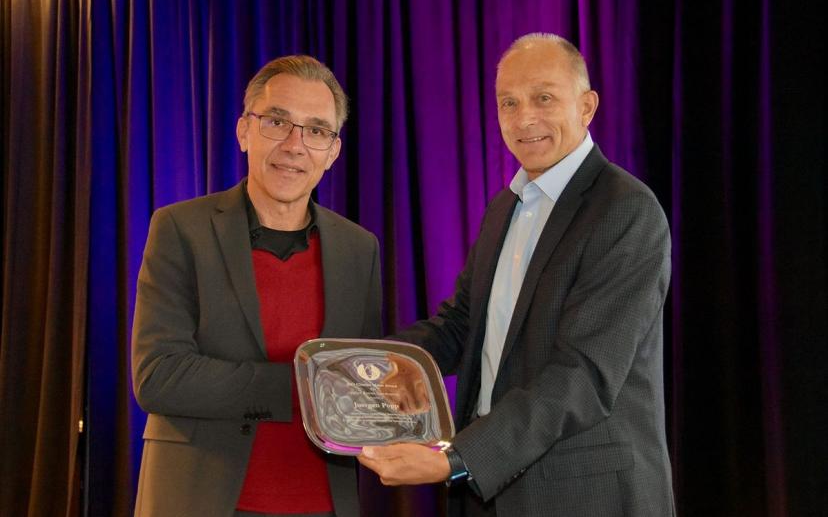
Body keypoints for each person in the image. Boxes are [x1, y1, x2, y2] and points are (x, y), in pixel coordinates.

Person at [358, 33, 675, 517]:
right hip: (490, 489)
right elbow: (462, 325)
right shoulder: (506, 206)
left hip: (583, 496)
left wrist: (459, 458)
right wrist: (381, 366)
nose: (524, 118)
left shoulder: (626, 211)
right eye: (509, 102)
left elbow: (583, 374)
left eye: (544, 98)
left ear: (587, 107)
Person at [132, 55, 381, 517]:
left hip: (323, 503)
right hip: (200, 500)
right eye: (277, 122)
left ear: (332, 152)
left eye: (316, 130)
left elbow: (358, 381)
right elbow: (159, 377)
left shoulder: (358, 248)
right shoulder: (180, 228)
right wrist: (307, 386)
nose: (294, 145)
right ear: (244, 130)